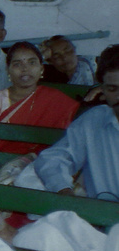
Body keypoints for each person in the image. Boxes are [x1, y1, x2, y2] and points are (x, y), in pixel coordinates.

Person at [32, 45, 119, 201]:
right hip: (99, 213)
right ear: (103, 90)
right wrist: (63, 190)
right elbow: (52, 160)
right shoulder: (94, 120)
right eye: (112, 89)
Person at [0, 41, 79, 154]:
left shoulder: (56, 100)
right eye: (17, 64)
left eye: (32, 62)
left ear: (41, 69)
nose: (25, 69)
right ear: (8, 70)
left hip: (43, 161)